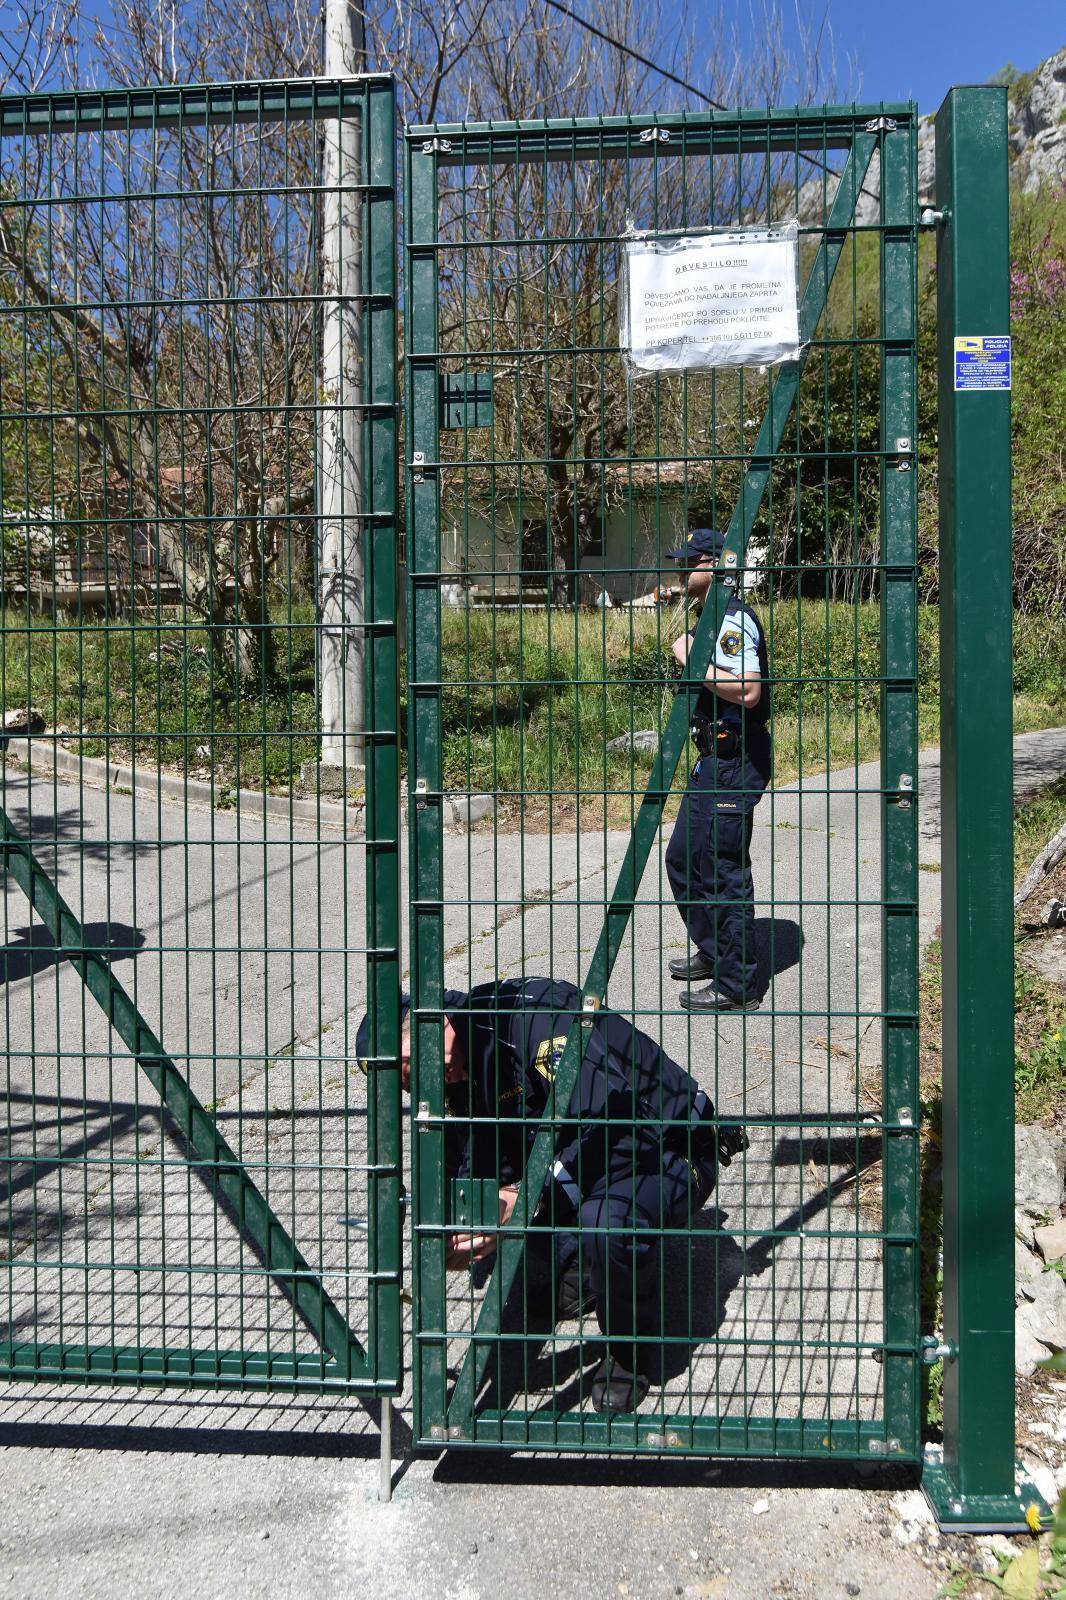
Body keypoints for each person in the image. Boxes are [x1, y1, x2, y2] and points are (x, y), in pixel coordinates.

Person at [356, 977, 746, 1414]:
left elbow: (615, 1131)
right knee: (546, 1292)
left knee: (610, 1224)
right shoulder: (455, 1064)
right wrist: (454, 1220)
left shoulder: (538, 1021)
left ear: (441, 1023)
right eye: (414, 1083)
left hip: (666, 1147)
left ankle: (629, 1350)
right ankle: (586, 1262)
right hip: (584, 1151)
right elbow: (469, 1156)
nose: (436, 1081)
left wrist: (521, 1205)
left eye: (429, 1068)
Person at [664, 528, 772, 1013]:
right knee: (685, 858)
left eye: (688, 561)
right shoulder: (710, 617)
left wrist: (692, 662)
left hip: (735, 760)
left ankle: (738, 983)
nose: (679, 570)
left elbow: (748, 691)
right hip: (713, 760)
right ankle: (715, 950)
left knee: (725, 871)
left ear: (712, 565)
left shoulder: (733, 620)